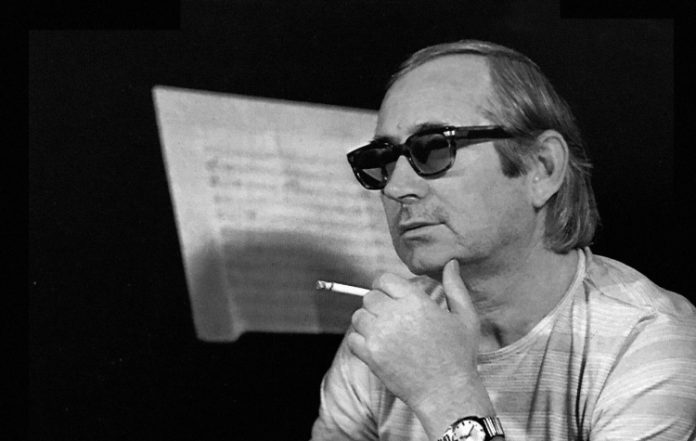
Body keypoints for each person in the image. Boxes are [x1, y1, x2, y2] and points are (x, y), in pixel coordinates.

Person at [310, 40, 696, 441]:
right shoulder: (391, 332)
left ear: (541, 168)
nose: (395, 188)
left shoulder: (646, 336)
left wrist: (445, 393)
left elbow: (443, 393)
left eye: (435, 148)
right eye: (384, 160)